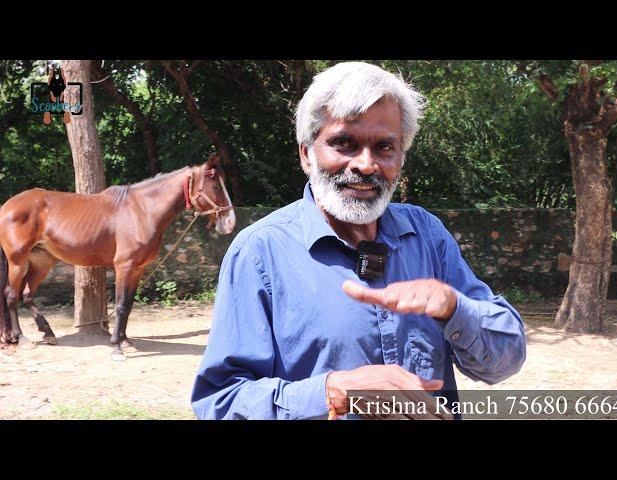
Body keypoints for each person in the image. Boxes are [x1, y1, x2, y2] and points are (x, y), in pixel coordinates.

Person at [191, 61, 526, 420]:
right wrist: (333, 391)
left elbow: (506, 359)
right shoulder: (261, 251)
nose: (365, 165)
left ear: (401, 157)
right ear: (307, 154)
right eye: (343, 143)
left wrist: (454, 307)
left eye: (384, 147)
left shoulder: (428, 237)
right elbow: (220, 402)